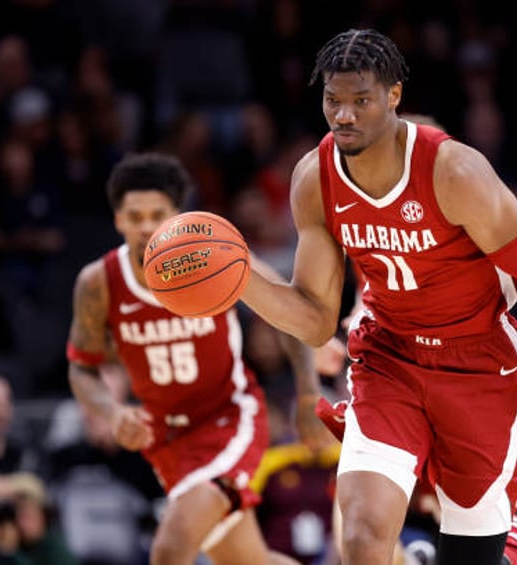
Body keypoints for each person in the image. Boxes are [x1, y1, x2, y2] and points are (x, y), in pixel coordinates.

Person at [238, 28, 517, 565]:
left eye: (360, 101)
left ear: (393, 96)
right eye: (333, 101)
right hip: (390, 355)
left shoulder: (454, 170)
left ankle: (506, 548)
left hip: (479, 361)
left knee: (471, 552)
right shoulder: (315, 178)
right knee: (360, 536)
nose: (344, 116)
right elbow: (315, 321)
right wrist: (242, 278)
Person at [66, 153, 329, 565]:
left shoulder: (211, 255)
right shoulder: (98, 282)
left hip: (229, 419)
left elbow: (287, 314)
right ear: (118, 220)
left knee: (170, 550)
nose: (146, 227)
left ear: (176, 215)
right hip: (167, 437)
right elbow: (82, 367)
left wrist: (309, 393)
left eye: (158, 214)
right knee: (248, 561)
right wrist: (112, 412)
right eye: (135, 217)